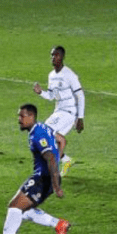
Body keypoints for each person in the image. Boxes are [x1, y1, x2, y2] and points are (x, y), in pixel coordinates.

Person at [0, 104, 70, 234]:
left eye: (22, 116)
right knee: (23, 211)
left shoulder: (38, 134)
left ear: (31, 116)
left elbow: (50, 158)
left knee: (14, 207)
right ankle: (59, 224)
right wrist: (58, 162)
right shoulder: (43, 127)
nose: (19, 120)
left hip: (43, 178)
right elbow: (61, 140)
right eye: (18, 116)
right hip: (45, 177)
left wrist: (56, 185)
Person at [32, 46, 84, 177]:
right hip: (58, 111)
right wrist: (40, 92)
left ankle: (52, 170)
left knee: (44, 132)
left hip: (69, 112)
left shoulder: (69, 75)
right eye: (52, 55)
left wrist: (80, 117)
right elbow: (51, 96)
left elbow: (80, 95)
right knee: (47, 139)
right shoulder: (51, 75)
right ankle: (66, 160)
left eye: (56, 55)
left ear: (62, 57)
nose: (53, 58)